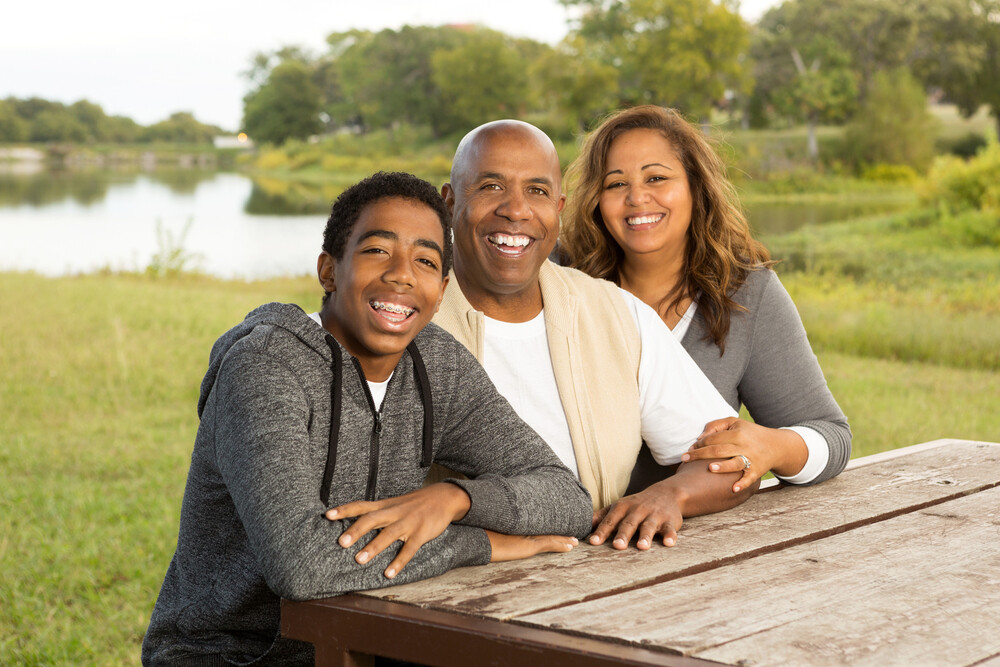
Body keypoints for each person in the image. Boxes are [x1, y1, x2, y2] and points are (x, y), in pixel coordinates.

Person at [142, 172, 592, 665]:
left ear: (441, 290)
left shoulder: (437, 365)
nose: (402, 274)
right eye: (378, 250)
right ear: (329, 270)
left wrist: (455, 498)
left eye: (424, 260)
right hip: (228, 655)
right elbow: (302, 566)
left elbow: (566, 498)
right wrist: (482, 542)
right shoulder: (265, 367)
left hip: (372, 643)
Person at [432, 119, 751, 554]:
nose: (516, 210)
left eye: (538, 191)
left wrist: (669, 494)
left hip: (599, 580)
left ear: (559, 207)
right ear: (449, 202)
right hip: (450, 586)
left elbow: (727, 459)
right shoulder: (405, 321)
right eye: (490, 186)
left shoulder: (616, 314)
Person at [561, 105, 851, 495]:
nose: (637, 197)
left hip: (687, 539)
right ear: (596, 199)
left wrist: (770, 447)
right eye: (615, 184)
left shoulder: (747, 295)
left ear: (696, 186)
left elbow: (831, 436)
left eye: (657, 177)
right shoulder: (562, 280)